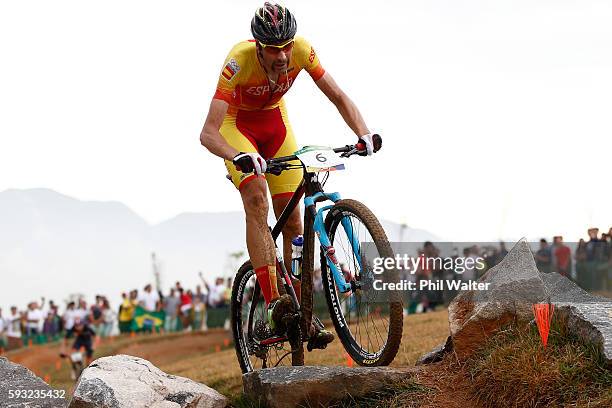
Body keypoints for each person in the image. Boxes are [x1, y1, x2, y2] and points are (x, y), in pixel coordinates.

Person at [199, 2, 381, 346]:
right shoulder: (238, 60)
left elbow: (338, 95)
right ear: (258, 47)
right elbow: (208, 133)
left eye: (286, 46)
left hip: (274, 125)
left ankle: (301, 315)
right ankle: (273, 303)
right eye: (273, 49)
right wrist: (236, 156)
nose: (282, 56)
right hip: (235, 127)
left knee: (295, 223)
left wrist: (364, 133)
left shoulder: (302, 51)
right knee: (256, 199)